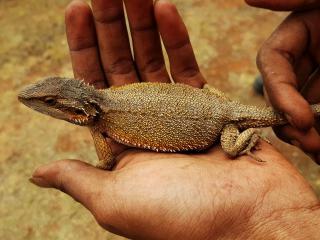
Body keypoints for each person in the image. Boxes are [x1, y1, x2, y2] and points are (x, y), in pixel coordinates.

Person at [29, 0, 320, 239]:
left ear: (77, 109)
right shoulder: (118, 92)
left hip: (221, 126)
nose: (45, 106)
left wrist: (100, 166)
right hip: (215, 103)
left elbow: (105, 163)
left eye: (51, 103)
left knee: (231, 148)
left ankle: (249, 136)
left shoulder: (101, 125)